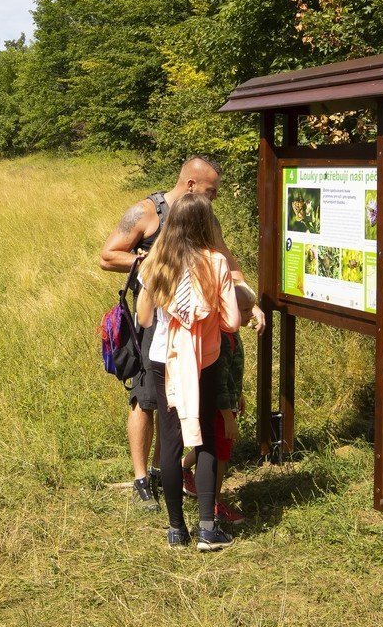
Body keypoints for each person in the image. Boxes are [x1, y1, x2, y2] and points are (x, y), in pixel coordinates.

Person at [98, 155, 262, 511]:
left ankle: (163, 472)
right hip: (153, 324)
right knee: (145, 400)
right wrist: (155, 263)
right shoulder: (146, 212)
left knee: (174, 406)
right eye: (210, 190)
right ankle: (142, 479)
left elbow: (224, 256)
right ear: (190, 185)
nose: (214, 197)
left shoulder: (204, 215)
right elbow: (108, 255)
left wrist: (249, 298)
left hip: (195, 331)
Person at [137, 193, 241, 550]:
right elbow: (231, 321)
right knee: (206, 439)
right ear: (205, 224)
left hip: (163, 360)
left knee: (170, 442)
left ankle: (176, 530)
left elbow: (145, 318)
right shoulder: (216, 263)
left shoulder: (156, 262)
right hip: (203, 362)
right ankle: (208, 528)